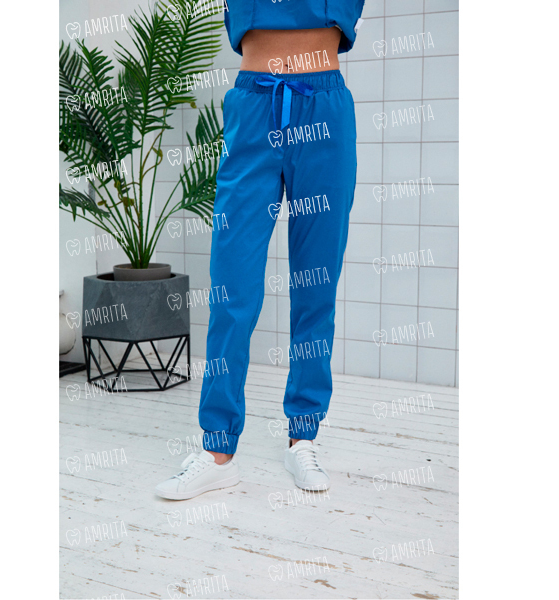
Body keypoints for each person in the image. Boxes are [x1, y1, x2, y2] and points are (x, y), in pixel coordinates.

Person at [155, 0, 365, 500]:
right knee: (233, 288)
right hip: (252, 108)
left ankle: (303, 438)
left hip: (324, 108)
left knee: (316, 285)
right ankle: (217, 450)